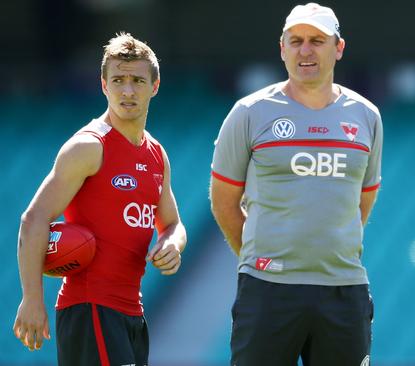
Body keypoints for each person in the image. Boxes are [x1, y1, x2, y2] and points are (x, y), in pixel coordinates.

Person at [210, 3, 382, 365]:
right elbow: (224, 202)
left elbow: (361, 201)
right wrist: (260, 260)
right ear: (282, 48)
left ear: (338, 48)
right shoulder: (249, 112)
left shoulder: (367, 116)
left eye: (317, 40)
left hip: (343, 289)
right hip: (268, 291)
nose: (306, 50)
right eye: (297, 40)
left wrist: (325, 252)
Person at [13, 32, 186, 366]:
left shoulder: (156, 155)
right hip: (91, 308)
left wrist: (172, 245)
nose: (128, 90)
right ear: (104, 86)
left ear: (155, 86)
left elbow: (173, 223)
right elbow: (33, 219)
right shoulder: (88, 147)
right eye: (118, 80)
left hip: (132, 311)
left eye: (137, 80)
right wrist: (32, 300)